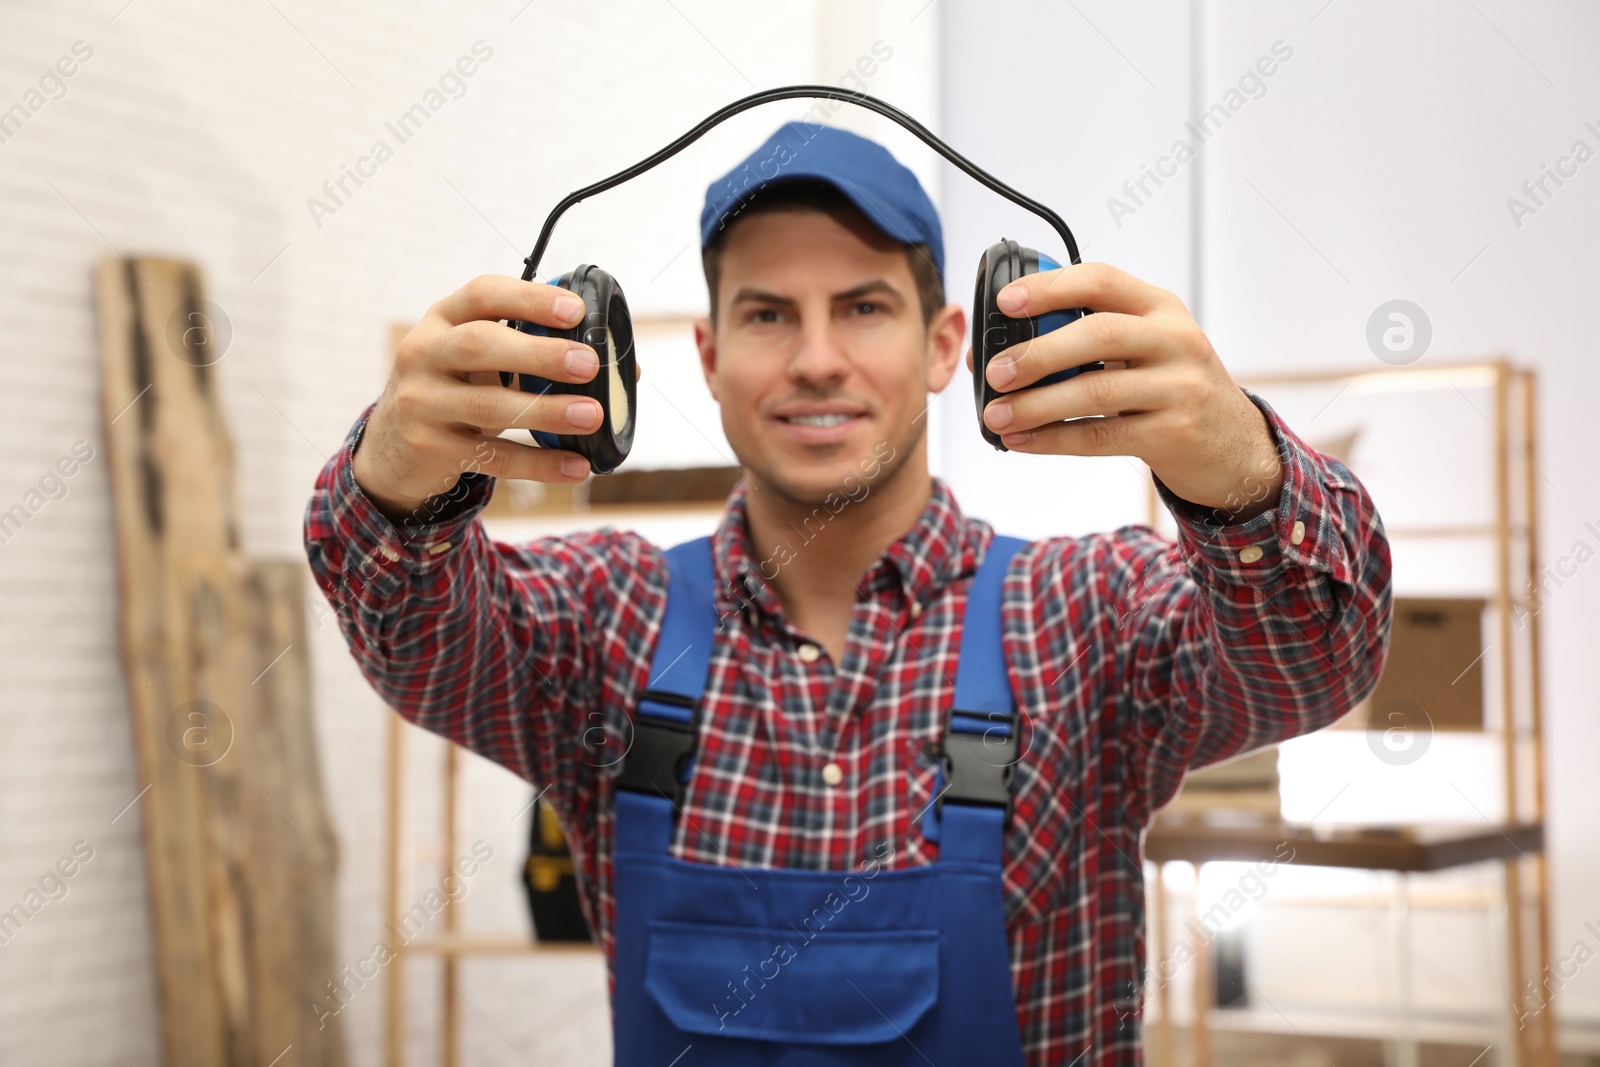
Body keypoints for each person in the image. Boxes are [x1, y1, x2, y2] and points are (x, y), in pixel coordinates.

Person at [304, 121, 1392, 1065]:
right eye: (769, 314)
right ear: (706, 352)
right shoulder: (602, 626)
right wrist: (394, 478)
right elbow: (412, 629)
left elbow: (1318, 653)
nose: (817, 359)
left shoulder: (1084, 615)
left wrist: (1242, 472)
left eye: (864, 307)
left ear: (947, 345)